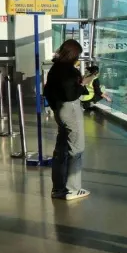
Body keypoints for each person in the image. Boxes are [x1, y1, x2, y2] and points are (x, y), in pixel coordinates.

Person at [45, 39, 92, 201]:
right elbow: (70, 94)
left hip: (59, 110)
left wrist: (55, 108)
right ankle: (73, 189)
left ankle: (58, 188)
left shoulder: (54, 68)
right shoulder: (70, 71)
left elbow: (48, 91)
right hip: (70, 109)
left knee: (61, 150)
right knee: (76, 149)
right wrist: (83, 83)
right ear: (73, 54)